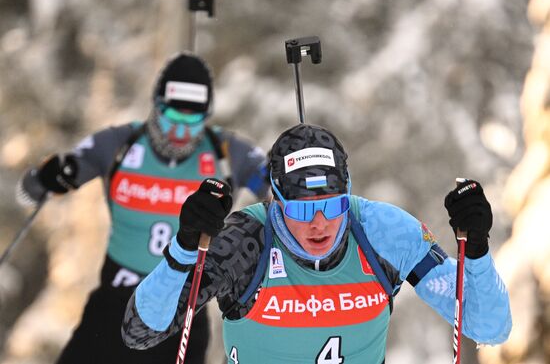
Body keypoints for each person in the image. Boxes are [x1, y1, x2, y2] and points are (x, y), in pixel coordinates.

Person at [122, 123, 512, 364]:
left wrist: (476, 248)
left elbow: (489, 327)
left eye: (332, 205)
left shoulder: (383, 232)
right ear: (275, 198)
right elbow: (140, 333)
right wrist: (185, 246)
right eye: (303, 211)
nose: (320, 223)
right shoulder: (244, 242)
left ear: (349, 193)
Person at [16, 52, 270, 364]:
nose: (179, 132)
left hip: (182, 307)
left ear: (207, 116)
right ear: (156, 105)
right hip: (115, 300)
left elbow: (278, 188)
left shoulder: (228, 152)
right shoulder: (120, 144)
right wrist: (44, 178)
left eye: (192, 122)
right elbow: (29, 194)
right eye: (171, 118)